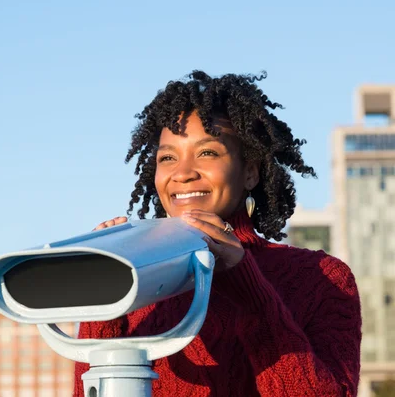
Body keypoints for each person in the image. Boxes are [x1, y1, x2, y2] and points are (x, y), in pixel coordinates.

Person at [73, 70, 362, 396]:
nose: (182, 173)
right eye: (168, 157)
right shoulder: (136, 282)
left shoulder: (321, 278)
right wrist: (105, 293)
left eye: (207, 152)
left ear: (250, 172)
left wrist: (247, 287)